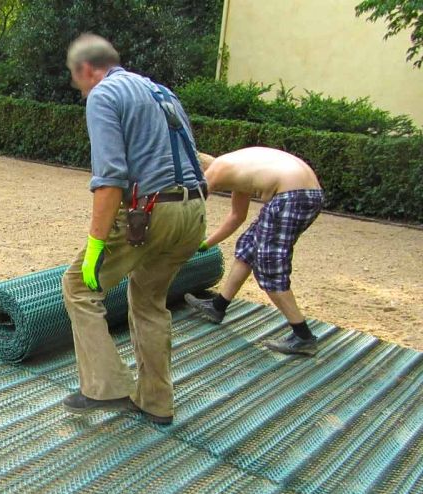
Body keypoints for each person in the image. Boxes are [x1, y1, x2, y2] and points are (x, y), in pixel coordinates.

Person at [61, 34, 207, 426]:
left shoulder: (104, 95)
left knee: (78, 285)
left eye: (76, 80)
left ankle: (105, 387)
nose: (79, 88)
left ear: (85, 70)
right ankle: (156, 402)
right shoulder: (161, 92)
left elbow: (110, 180)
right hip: (193, 212)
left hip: (151, 214)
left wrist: (94, 249)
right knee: (148, 302)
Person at [184, 147, 324, 355]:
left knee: (269, 266)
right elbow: (236, 217)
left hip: (291, 196)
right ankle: (217, 306)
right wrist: (205, 245)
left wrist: (179, 244)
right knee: (248, 247)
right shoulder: (238, 171)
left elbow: (190, 210)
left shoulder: (216, 170)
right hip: (307, 193)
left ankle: (303, 336)